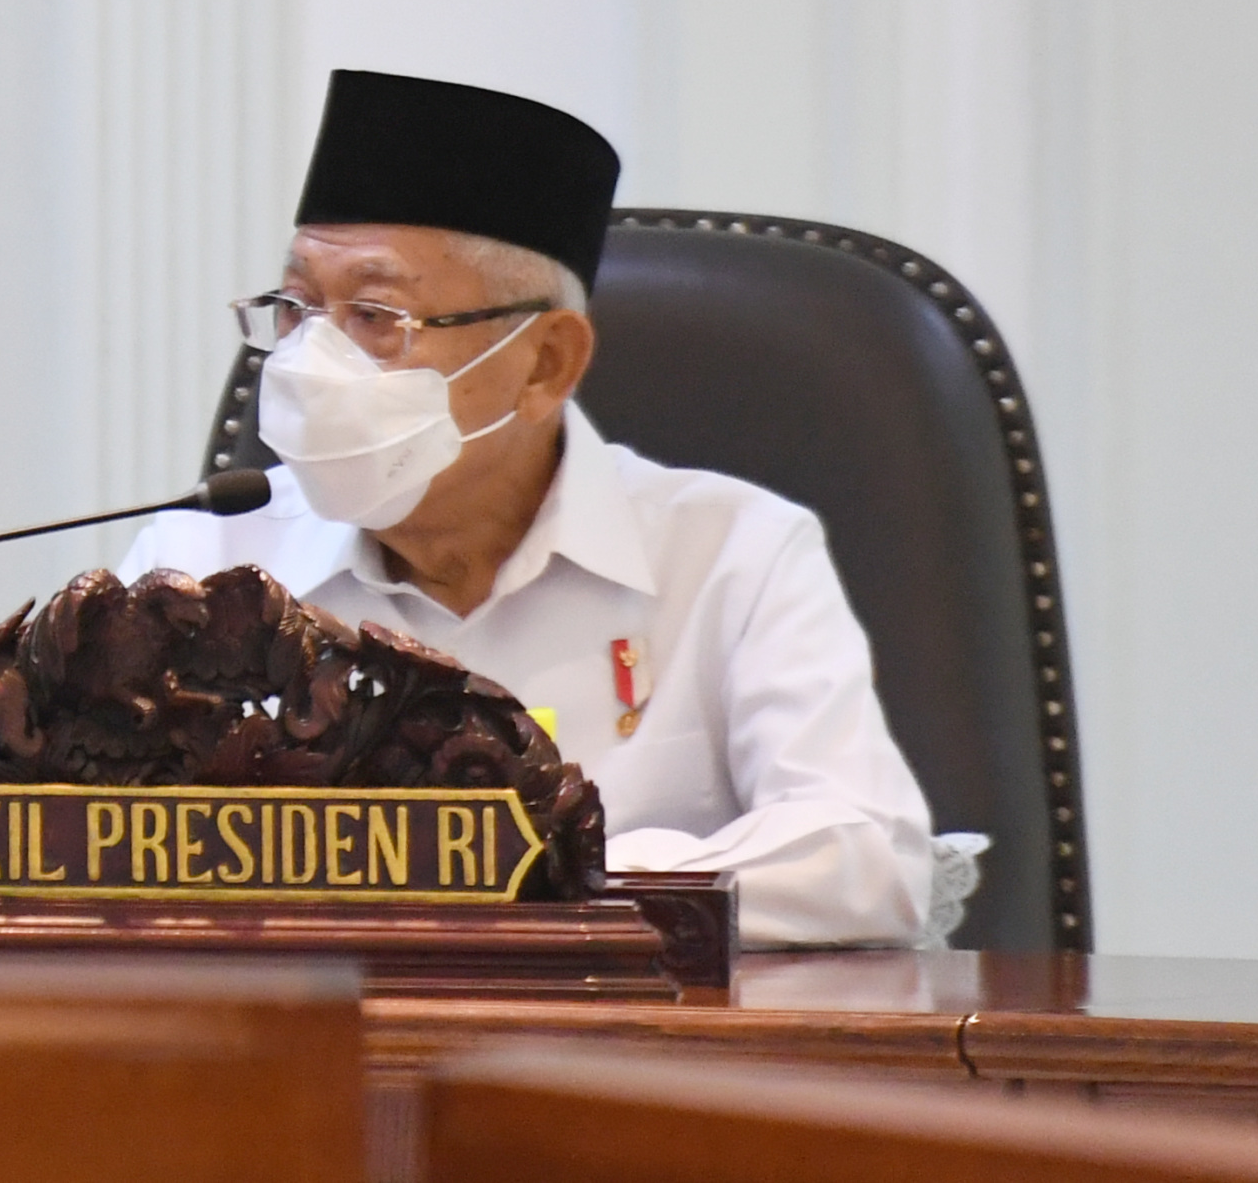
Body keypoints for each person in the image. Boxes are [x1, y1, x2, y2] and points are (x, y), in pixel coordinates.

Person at [121, 69, 932, 945]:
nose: (314, 359)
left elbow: (868, 854)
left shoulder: (737, 553)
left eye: (375, 314)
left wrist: (550, 873)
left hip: (622, 1064)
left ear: (545, 363)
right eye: (298, 307)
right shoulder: (203, 562)